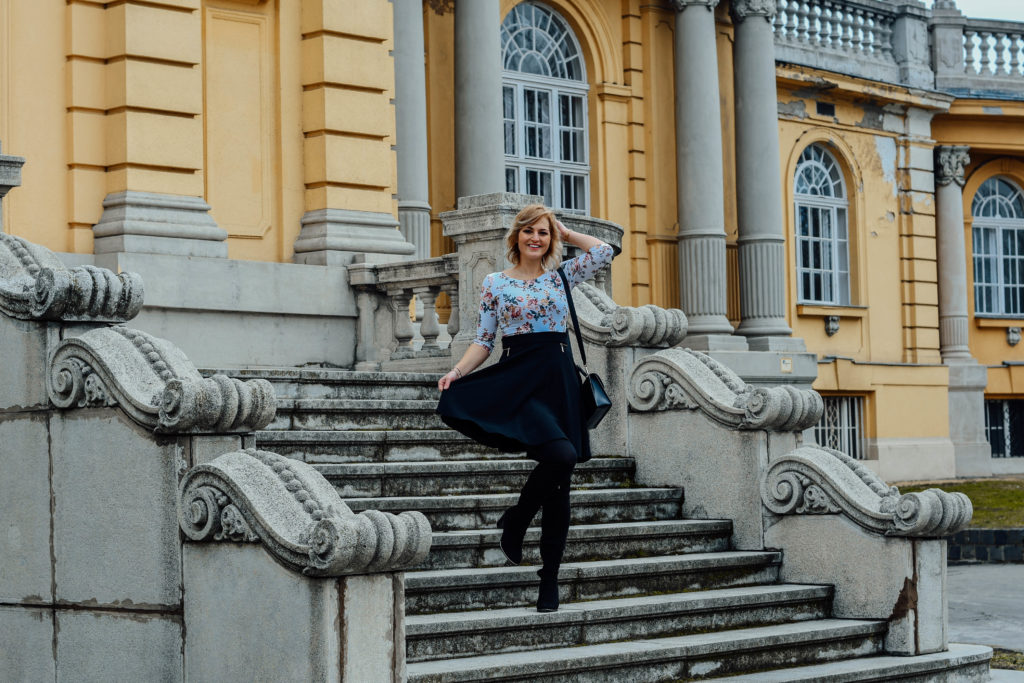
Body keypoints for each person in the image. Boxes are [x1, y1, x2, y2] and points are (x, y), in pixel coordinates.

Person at [436, 203, 613, 613]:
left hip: (559, 381)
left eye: (544, 233)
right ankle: (517, 520)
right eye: (529, 231)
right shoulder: (496, 283)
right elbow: (484, 340)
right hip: (520, 380)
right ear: (516, 237)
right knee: (562, 455)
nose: (537, 238)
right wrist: (457, 374)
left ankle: (548, 578)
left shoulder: (561, 277)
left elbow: (603, 252)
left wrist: (567, 234)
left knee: (561, 484)